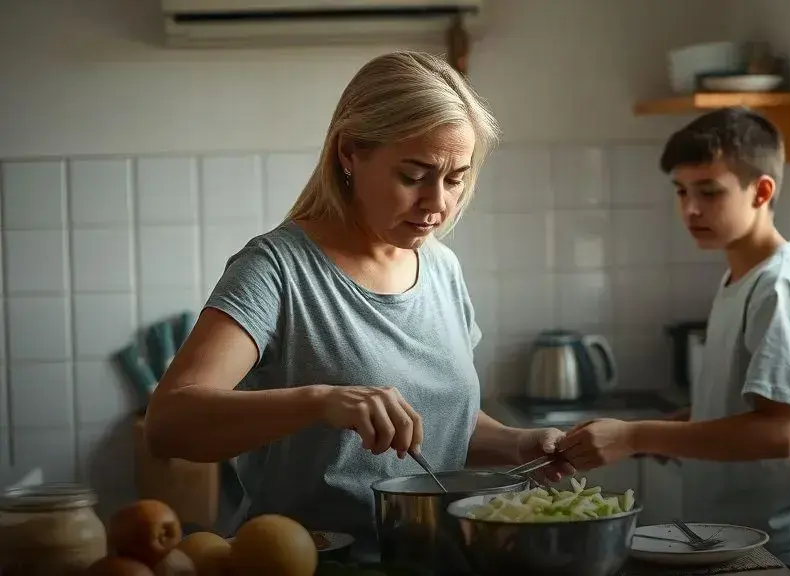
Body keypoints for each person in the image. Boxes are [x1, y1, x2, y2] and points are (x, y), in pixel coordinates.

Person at [143, 51, 571, 559]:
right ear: (350, 152)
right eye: (414, 176)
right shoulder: (277, 268)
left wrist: (517, 445)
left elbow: (431, 420)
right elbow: (169, 424)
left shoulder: (441, 268)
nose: (438, 204)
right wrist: (320, 401)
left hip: (436, 559)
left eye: (455, 178)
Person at [557, 107, 790, 576]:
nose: (690, 209)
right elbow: (749, 407)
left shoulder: (782, 288)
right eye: (681, 191)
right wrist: (677, 427)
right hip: (731, 537)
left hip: (783, 546)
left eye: (709, 192)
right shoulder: (742, 277)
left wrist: (635, 436)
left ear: (762, 191)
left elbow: (777, 434)